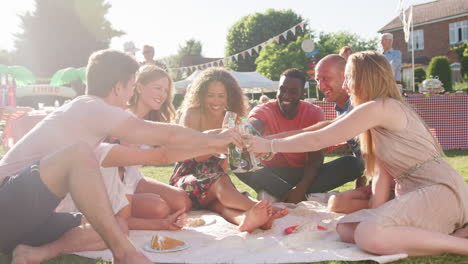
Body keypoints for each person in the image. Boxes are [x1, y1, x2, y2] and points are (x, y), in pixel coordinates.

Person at [0, 50, 241, 264]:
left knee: (114, 226)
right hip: (6, 203)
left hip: (25, 221)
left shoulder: (85, 128)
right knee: (80, 154)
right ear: (118, 87)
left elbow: (162, 155)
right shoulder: (87, 108)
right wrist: (217, 140)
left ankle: (33, 253)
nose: (130, 96)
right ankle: (125, 254)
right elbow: (165, 135)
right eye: (131, 87)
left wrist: (214, 139)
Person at [247, 51, 468, 257]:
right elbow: (382, 174)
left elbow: (320, 138)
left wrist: (268, 145)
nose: (345, 84)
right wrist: (376, 213)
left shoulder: (381, 107)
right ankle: (449, 235)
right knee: (346, 228)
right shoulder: (377, 115)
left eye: (349, 77)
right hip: (419, 194)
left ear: (365, 78)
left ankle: (461, 244)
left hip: (440, 191)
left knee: (367, 234)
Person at [57, 65, 192, 231]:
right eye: (157, 88)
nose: (162, 95)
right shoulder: (122, 116)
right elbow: (116, 164)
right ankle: (122, 215)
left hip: (133, 175)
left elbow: (173, 143)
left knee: (182, 201)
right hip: (112, 177)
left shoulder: (152, 119)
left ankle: (138, 209)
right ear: (139, 87)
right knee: (159, 208)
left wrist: (209, 139)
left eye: (165, 90)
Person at [169, 67, 288, 233]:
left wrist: (247, 149)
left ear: (229, 97)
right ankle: (262, 208)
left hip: (213, 186)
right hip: (186, 181)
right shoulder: (192, 114)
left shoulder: (232, 119)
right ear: (201, 95)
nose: (215, 101)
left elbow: (225, 165)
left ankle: (247, 220)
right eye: (210, 95)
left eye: (221, 96)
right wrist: (219, 138)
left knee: (221, 204)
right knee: (221, 183)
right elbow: (196, 156)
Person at [235, 68, 362, 204]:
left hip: (303, 173)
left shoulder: (313, 112)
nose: (285, 95)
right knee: (237, 162)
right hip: (271, 174)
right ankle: (299, 195)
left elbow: (315, 160)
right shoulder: (264, 109)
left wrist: (301, 188)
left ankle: (277, 195)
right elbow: (254, 125)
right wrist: (247, 132)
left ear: (302, 94)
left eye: (293, 91)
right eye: (282, 89)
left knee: (353, 163)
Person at [315, 54, 367, 213]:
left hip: (395, 183)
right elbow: (362, 153)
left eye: (325, 78)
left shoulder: (359, 106)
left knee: (336, 203)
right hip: (379, 179)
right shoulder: (342, 108)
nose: (320, 86)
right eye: (317, 80)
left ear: (345, 77)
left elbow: (317, 136)